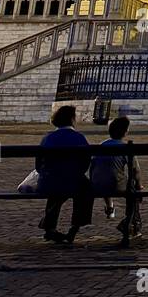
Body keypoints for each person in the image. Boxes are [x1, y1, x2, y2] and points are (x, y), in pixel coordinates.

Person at [36, 105, 94, 245]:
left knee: (56, 191)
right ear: (72, 120)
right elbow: (86, 162)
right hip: (72, 180)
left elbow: (38, 165)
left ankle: (50, 227)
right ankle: (75, 227)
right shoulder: (78, 138)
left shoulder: (48, 138)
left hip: (49, 181)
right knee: (86, 189)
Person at [90, 115, 142, 236]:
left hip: (96, 184)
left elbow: (94, 166)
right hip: (114, 184)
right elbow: (136, 171)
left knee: (105, 175)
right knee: (133, 194)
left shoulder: (101, 145)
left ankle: (110, 207)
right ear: (125, 132)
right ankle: (130, 224)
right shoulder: (125, 147)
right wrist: (139, 185)